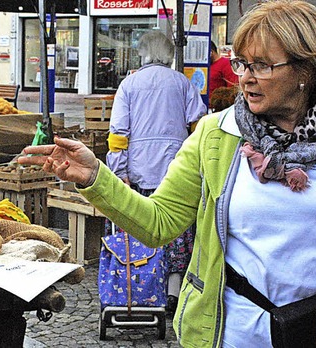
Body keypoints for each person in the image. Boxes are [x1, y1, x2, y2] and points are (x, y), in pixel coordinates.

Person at [18, 1, 316, 346]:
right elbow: (159, 222)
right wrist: (96, 176)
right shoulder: (217, 133)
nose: (244, 78)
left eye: (261, 66)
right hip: (233, 333)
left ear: (305, 71)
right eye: (241, 63)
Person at [106, 30, 206, 313]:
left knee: (144, 229)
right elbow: (198, 126)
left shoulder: (129, 85)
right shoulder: (182, 83)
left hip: (139, 171)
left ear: (144, 52)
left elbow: (118, 136)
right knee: (177, 233)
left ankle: (143, 287)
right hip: (177, 171)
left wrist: (119, 170)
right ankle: (174, 290)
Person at [208, 40, 239, 109]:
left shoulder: (225, 64)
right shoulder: (207, 66)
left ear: (211, 52)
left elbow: (233, 88)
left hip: (218, 107)